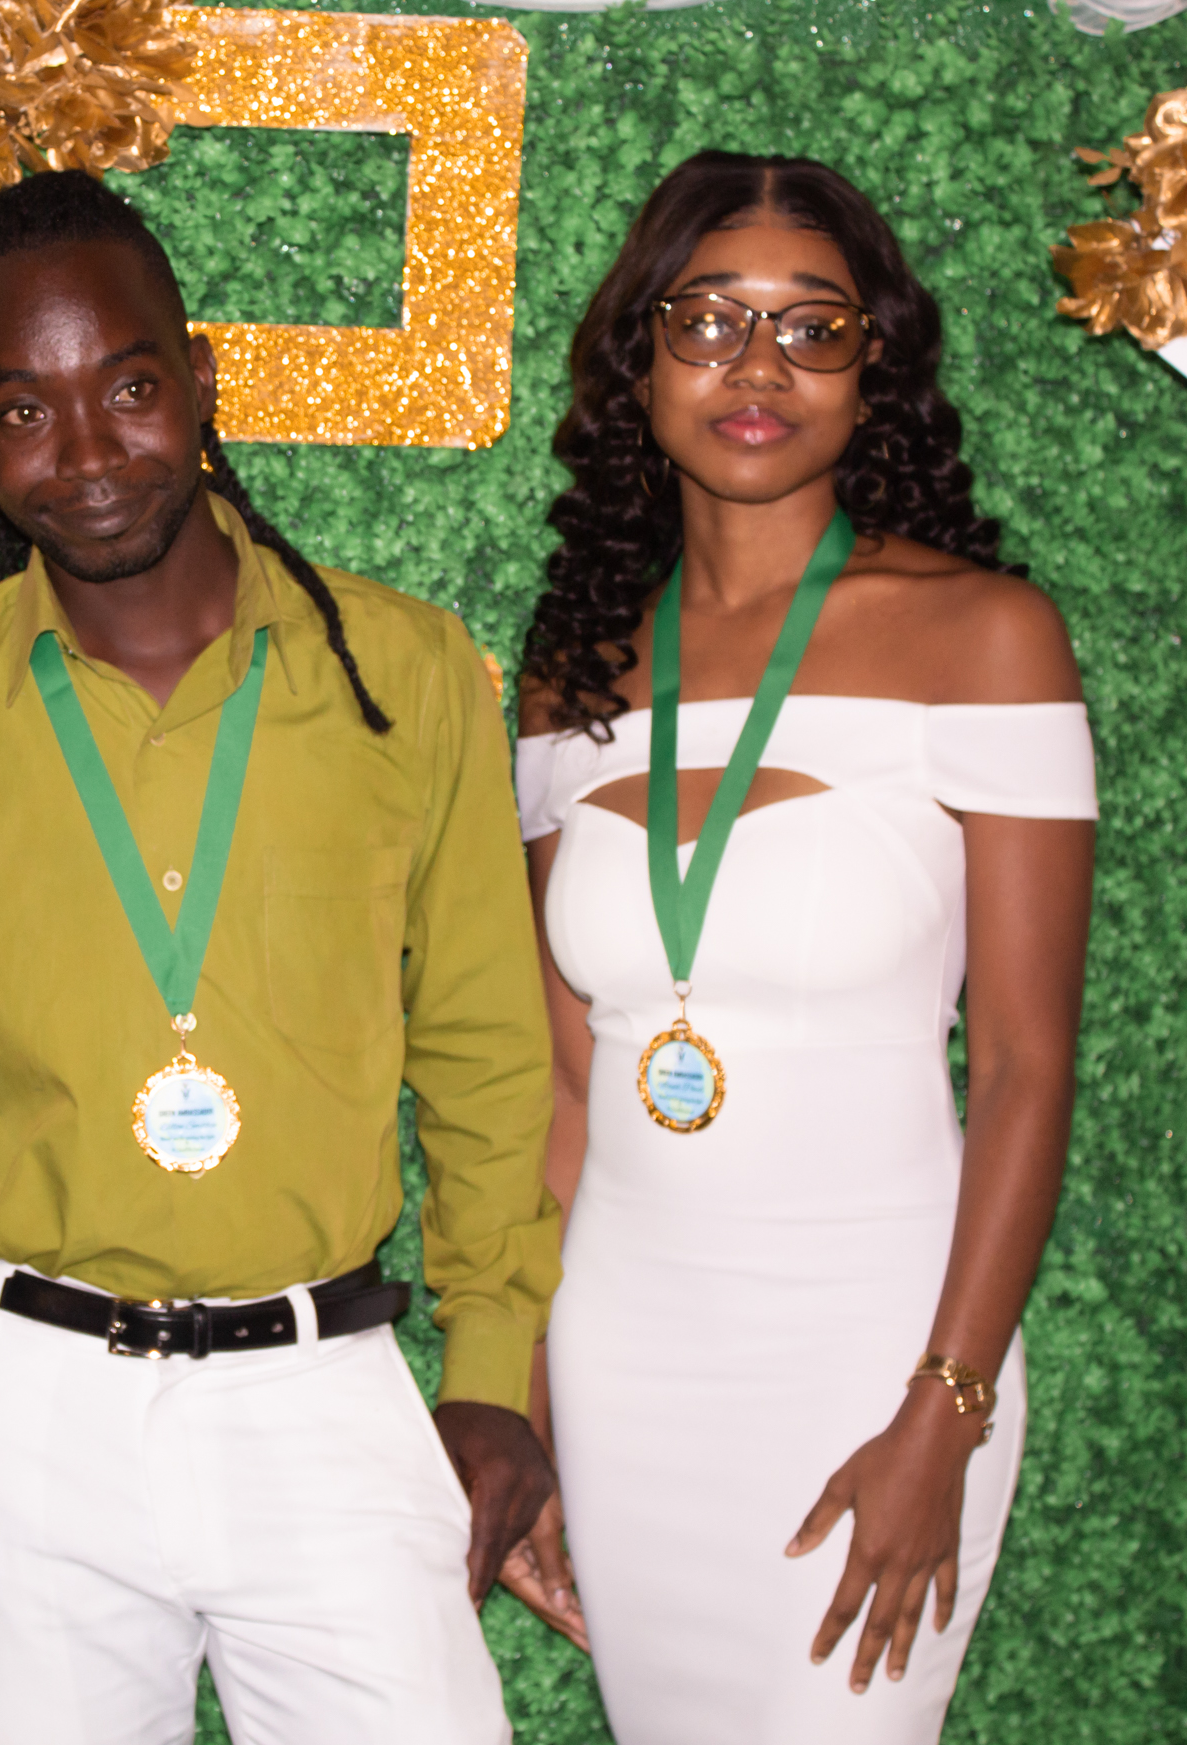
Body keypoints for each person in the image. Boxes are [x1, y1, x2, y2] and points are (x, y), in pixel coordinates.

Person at [0, 170, 560, 1744]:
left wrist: (495, 1361)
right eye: (24, 410)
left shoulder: (403, 676)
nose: (86, 452)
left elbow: (482, 1042)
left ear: (199, 380)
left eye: (128, 389)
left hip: (329, 1383)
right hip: (32, 1399)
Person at [506, 152, 1096, 1744]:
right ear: (639, 356)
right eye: (707, 319)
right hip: (625, 1362)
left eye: (811, 327)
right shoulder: (571, 676)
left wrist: (944, 1414)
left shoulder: (985, 637)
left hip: (879, 1356)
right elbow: (571, 1089)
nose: (756, 367)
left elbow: (1031, 1067)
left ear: (872, 366)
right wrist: (534, 1409)